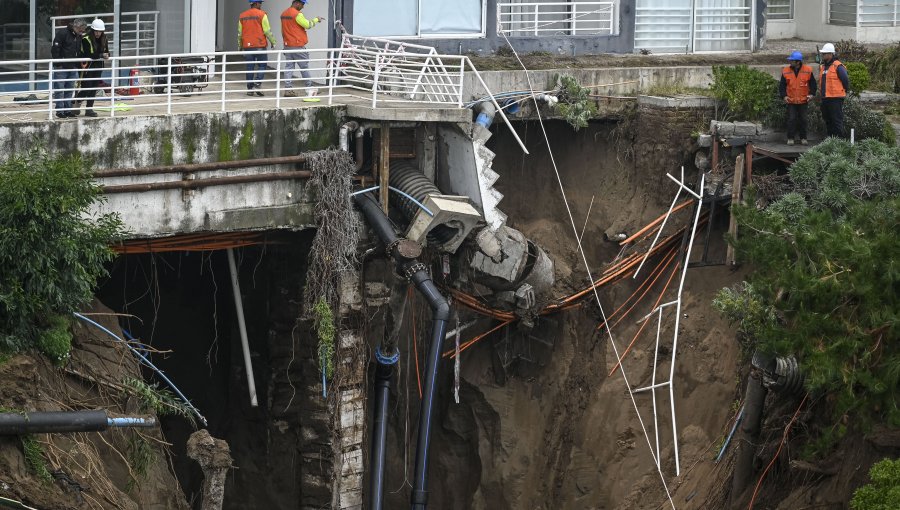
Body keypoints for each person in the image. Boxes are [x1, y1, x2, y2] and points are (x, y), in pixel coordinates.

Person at [280, 0, 325, 97]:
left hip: (287, 45)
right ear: (297, 3)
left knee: (289, 68)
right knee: (304, 68)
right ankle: (310, 88)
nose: (303, 7)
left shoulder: (284, 13)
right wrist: (317, 19)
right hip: (298, 45)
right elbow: (307, 25)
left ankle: (288, 89)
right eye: (302, 4)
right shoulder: (297, 14)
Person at [239, 0, 276, 96]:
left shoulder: (242, 15)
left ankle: (250, 89)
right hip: (260, 45)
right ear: (255, 3)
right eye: (260, 3)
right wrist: (273, 42)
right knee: (262, 65)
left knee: (249, 67)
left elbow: (240, 33)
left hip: (247, 46)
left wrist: (240, 45)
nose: (261, 5)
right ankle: (257, 84)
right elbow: (267, 31)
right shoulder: (262, 14)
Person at [778, 51, 816, 146]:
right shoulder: (786, 70)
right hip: (791, 100)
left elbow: (813, 84)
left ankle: (803, 138)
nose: (790, 62)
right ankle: (790, 138)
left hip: (803, 100)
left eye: (792, 60)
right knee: (792, 119)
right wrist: (784, 96)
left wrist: (812, 94)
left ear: (798, 62)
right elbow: (782, 85)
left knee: (803, 119)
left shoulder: (808, 70)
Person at [50, 19, 86, 118]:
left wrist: (78, 64)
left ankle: (67, 110)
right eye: (81, 30)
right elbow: (55, 49)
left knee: (69, 90)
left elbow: (77, 51)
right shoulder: (62, 33)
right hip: (62, 67)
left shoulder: (78, 35)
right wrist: (58, 62)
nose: (82, 32)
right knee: (60, 90)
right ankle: (60, 111)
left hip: (73, 66)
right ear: (77, 27)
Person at [74, 19, 110, 118]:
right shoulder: (86, 38)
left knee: (93, 88)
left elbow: (107, 51)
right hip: (86, 66)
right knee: (87, 87)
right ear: (92, 30)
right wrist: (101, 55)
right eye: (96, 31)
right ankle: (77, 100)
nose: (98, 33)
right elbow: (89, 54)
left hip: (98, 66)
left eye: (100, 31)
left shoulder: (104, 38)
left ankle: (89, 109)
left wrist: (106, 55)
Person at [818, 43, 850, 139]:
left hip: (836, 98)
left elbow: (845, 81)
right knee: (828, 120)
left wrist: (843, 92)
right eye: (822, 53)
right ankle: (831, 140)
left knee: (836, 121)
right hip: (825, 98)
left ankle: (839, 142)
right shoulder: (823, 67)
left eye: (824, 53)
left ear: (831, 54)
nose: (823, 55)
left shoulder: (838, 66)